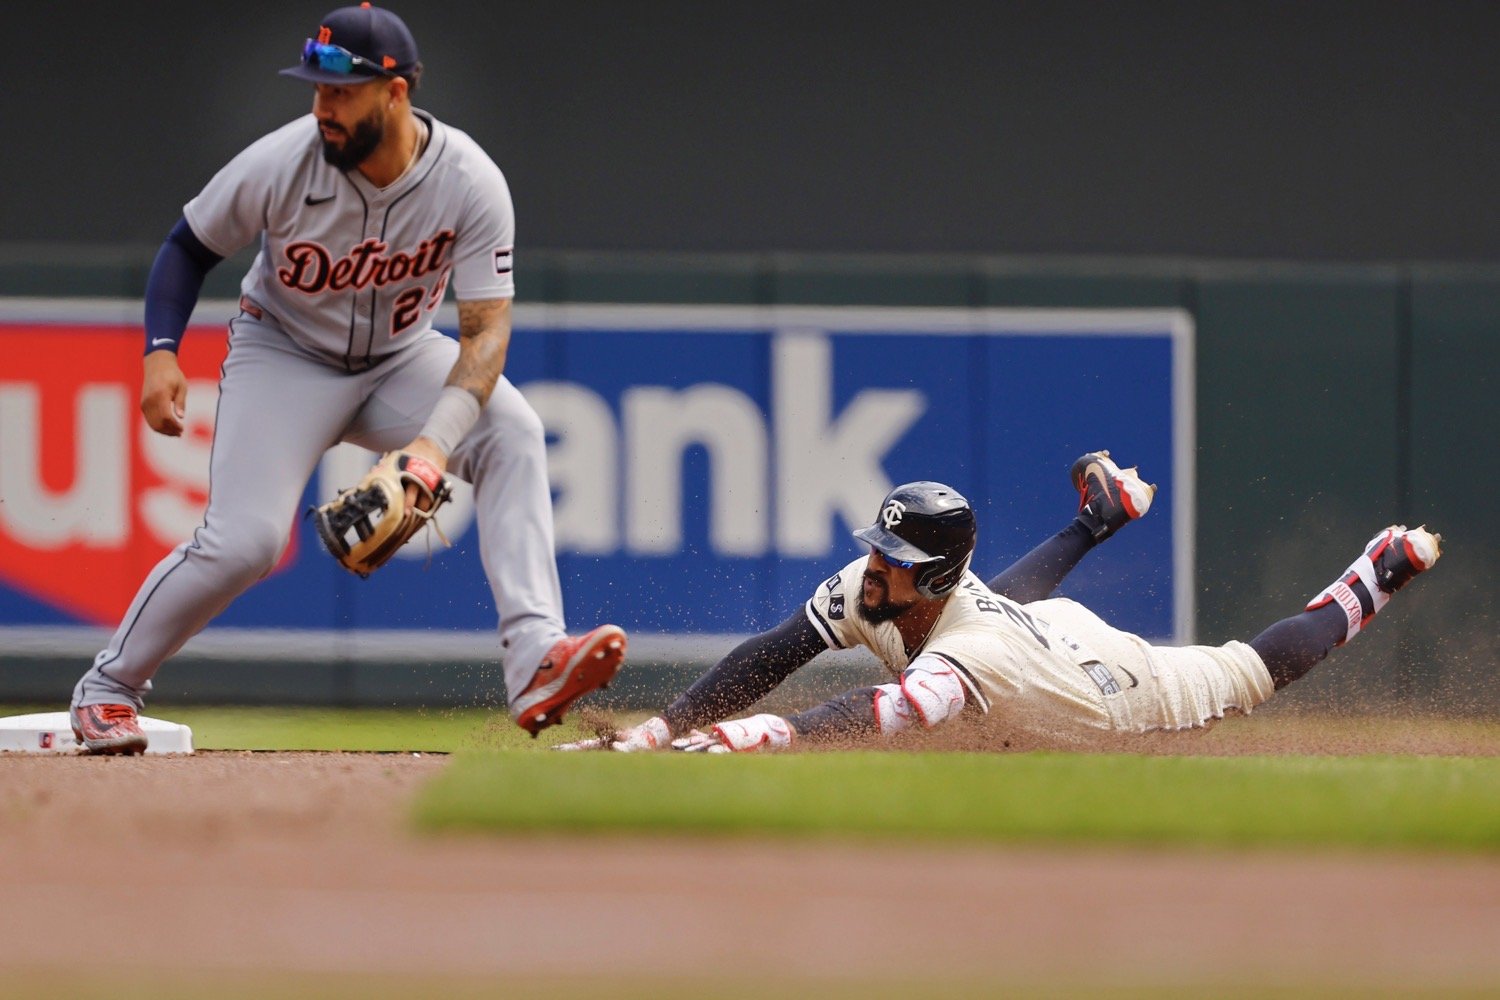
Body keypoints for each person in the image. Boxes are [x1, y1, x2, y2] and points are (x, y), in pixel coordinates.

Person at [69, 4, 625, 754]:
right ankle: (107, 688)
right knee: (246, 543)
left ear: (395, 92)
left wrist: (432, 447)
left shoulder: (469, 181)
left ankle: (534, 661)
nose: (322, 108)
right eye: (316, 89)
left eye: (341, 91)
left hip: (401, 358)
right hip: (284, 355)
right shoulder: (282, 162)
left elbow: (484, 331)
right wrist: (160, 350)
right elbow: (186, 249)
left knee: (514, 434)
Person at [562, 451, 1441, 752]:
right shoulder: (882, 589)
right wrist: (663, 727)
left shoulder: (965, 655)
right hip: (1029, 630)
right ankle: (1097, 518)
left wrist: (757, 736)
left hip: (1117, 693)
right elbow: (774, 651)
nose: (875, 568)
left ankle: (1374, 575)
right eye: (878, 545)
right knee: (995, 605)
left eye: (896, 559)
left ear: (935, 574)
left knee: (1249, 672)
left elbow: (878, 709)